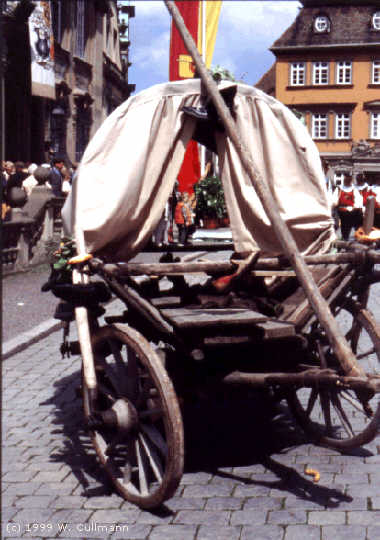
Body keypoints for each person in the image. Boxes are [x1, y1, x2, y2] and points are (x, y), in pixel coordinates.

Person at [332, 172, 363, 241]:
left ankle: (348, 236)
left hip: (351, 211)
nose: (348, 180)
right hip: (341, 211)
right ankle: (344, 237)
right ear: (344, 179)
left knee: (353, 219)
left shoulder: (354, 189)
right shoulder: (339, 189)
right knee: (344, 223)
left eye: (349, 179)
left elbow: (358, 201)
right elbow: (334, 201)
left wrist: (354, 207)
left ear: (351, 179)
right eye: (346, 179)